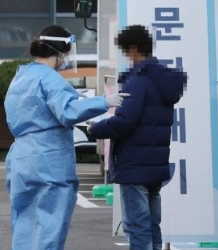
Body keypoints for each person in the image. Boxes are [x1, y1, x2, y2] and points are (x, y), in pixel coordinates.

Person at [3, 24, 128, 250]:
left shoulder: (20, 77)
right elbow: (68, 110)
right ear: (61, 51)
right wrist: (104, 102)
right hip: (49, 158)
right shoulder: (51, 79)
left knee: (24, 222)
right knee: (51, 224)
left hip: (21, 158)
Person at [88, 25, 186, 250]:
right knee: (152, 226)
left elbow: (125, 122)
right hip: (156, 166)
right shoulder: (164, 79)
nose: (125, 56)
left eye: (125, 51)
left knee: (137, 227)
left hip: (134, 166)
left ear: (133, 49)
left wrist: (95, 129)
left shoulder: (138, 80)